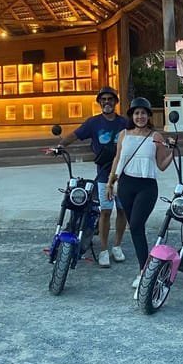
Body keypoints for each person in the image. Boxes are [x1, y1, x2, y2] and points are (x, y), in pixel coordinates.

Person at [106, 97, 174, 294]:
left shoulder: (156, 136)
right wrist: (110, 182)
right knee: (135, 228)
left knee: (136, 224)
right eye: (136, 113)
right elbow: (117, 159)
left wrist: (173, 152)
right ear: (132, 116)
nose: (140, 116)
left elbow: (161, 165)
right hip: (126, 184)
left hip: (147, 186)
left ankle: (144, 271)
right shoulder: (123, 134)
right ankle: (144, 269)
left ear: (148, 116)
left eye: (143, 113)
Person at [57, 86, 129, 269]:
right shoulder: (93, 123)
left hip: (123, 173)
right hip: (104, 174)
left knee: (122, 211)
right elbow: (75, 135)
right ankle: (103, 249)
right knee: (105, 211)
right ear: (99, 103)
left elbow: (139, 136)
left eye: (110, 99)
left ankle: (117, 246)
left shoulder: (124, 123)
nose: (107, 102)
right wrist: (60, 146)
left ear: (115, 102)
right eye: (103, 99)